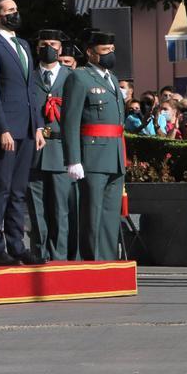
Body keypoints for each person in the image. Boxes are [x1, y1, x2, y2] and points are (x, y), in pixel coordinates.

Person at [0, 0, 46, 266]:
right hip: (6, 129)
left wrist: (38, 126)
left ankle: (17, 246)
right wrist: (2, 127)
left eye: (16, 9)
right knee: (1, 188)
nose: (15, 13)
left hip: (27, 129)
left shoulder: (24, 45)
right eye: (10, 10)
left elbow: (31, 89)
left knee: (19, 190)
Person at [61, 31, 126, 261]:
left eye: (112, 50)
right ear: (90, 52)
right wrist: (73, 159)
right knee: (93, 213)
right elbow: (70, 120)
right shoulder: (80, 78)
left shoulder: (112, 79)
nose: (110, 55)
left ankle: (108, 260)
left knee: (109, 215)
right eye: (105, 51)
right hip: (93, 155)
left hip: (114, 154)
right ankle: (93, 261)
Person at [28, 29, 75, 262]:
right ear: (37, 48)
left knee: (60, 209)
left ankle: (59, 256)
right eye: (44, 44)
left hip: (60, 151)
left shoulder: (72, 76)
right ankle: (40, 254)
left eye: (53, 44)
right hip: (33, 151)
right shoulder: (28, 75)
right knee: (37, 209)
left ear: (61, 49)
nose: (49, 48)